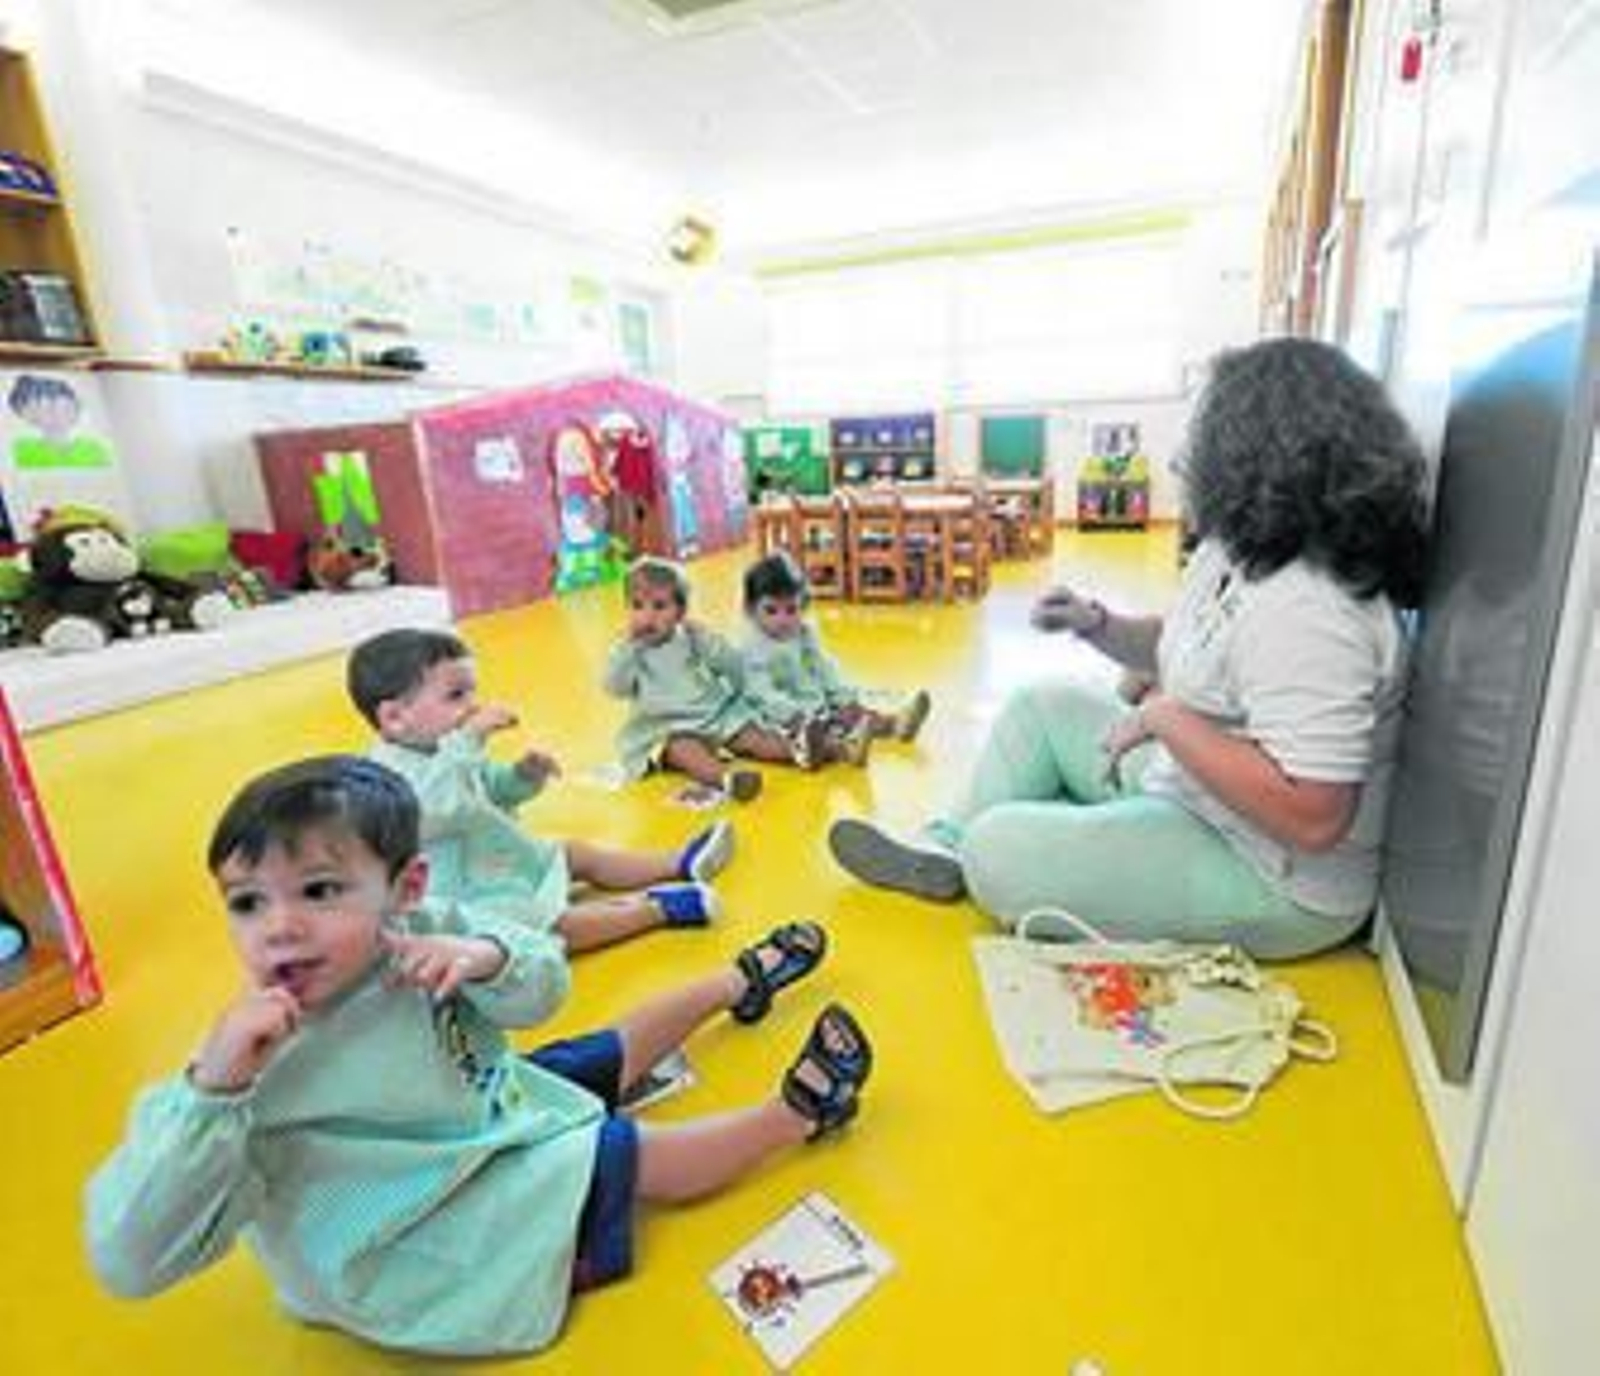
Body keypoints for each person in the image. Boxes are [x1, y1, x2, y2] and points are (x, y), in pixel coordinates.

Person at [84, 756, 873, 1358]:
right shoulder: (251, 1066)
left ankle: (737, 983)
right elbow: (128, 1260)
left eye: (319, 891)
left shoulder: (424, 926)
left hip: (486, 1119)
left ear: (405, 888)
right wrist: (211, 1092)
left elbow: (544, 985)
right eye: (248, 902)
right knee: (624, 1152)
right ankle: (798, 1114)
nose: (279, 927)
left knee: (594, 1053)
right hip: (427, 1238)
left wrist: (487, 956)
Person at [829, 337, 1430, 960]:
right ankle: (944, 849)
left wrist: (1165, 718)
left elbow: (1314, 816)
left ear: (1258, 454)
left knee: (999, 850)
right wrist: (1097, 623)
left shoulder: (1311, 609)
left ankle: (981, 850)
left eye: (1200, 440)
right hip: (1193, 792)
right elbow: (1193, 647)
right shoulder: (1235, 548)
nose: (1180, 462)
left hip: (1270, 872)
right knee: (1040, 705)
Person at [349, 628, 731, 953]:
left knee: (575, 853)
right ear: (395, 717)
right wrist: (468, 738)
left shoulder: (442, 747)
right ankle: (654, 911)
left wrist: (520, 776)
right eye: (456, 696)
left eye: (471, 693)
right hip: (468, 899)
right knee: (549, 926)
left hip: (502, 861)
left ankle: (677, 864)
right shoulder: (387, 775)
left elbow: (488, 787)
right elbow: (438, 804)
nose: (473, 706)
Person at [603, 556, 804, 802]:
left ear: (680, 612)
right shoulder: (629, 650)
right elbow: (614, 687)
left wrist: (709, 640)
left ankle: (803, 749)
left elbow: (731, 665)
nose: (647, 616)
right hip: (667, 727)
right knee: (684, 751)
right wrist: (629, 649)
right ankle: (726, 779)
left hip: (714, 715)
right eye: (637, 606)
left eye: (659, 606)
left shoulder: (691, 638)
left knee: (751, 736)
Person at [741, 550, 931, 768]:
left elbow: (824, 667)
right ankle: (845, 749)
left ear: (803, 606)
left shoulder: (803, 634)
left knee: (852, 712)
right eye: (771, 611)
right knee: (812, 737)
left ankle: (895, 724)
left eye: (791, 610)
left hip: (818, 704)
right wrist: (796, 714)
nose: (782, 620)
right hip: (785, 716)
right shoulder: (753, 648)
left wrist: (842, 697)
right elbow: (761, 693)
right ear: (750, 610)